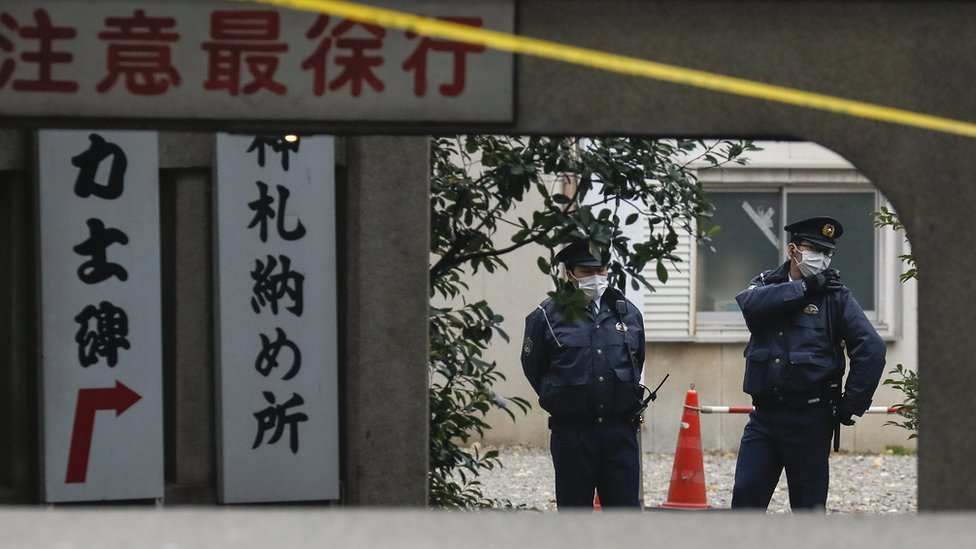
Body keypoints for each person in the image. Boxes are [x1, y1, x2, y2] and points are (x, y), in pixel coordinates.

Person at [731, 216, 886, 511]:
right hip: (764, 417)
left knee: (807, 508)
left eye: (827, 253)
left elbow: (872, 349)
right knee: (745, 496)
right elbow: (750, 305)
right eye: (814, 249)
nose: (822, 258)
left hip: (810, 419)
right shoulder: (766, 285)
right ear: (793, 250)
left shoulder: (836, 296)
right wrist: (805, 289)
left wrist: (851, 403)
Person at [520, 239, 646, 510]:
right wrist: (560, 396)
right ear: (569, 274)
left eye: (601, 271)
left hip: (619, 432)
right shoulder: (547, 316)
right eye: (587, 272)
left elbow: (638, 359)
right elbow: (534, 368)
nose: (596, 278)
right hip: (573, 434)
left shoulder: (628, 314)